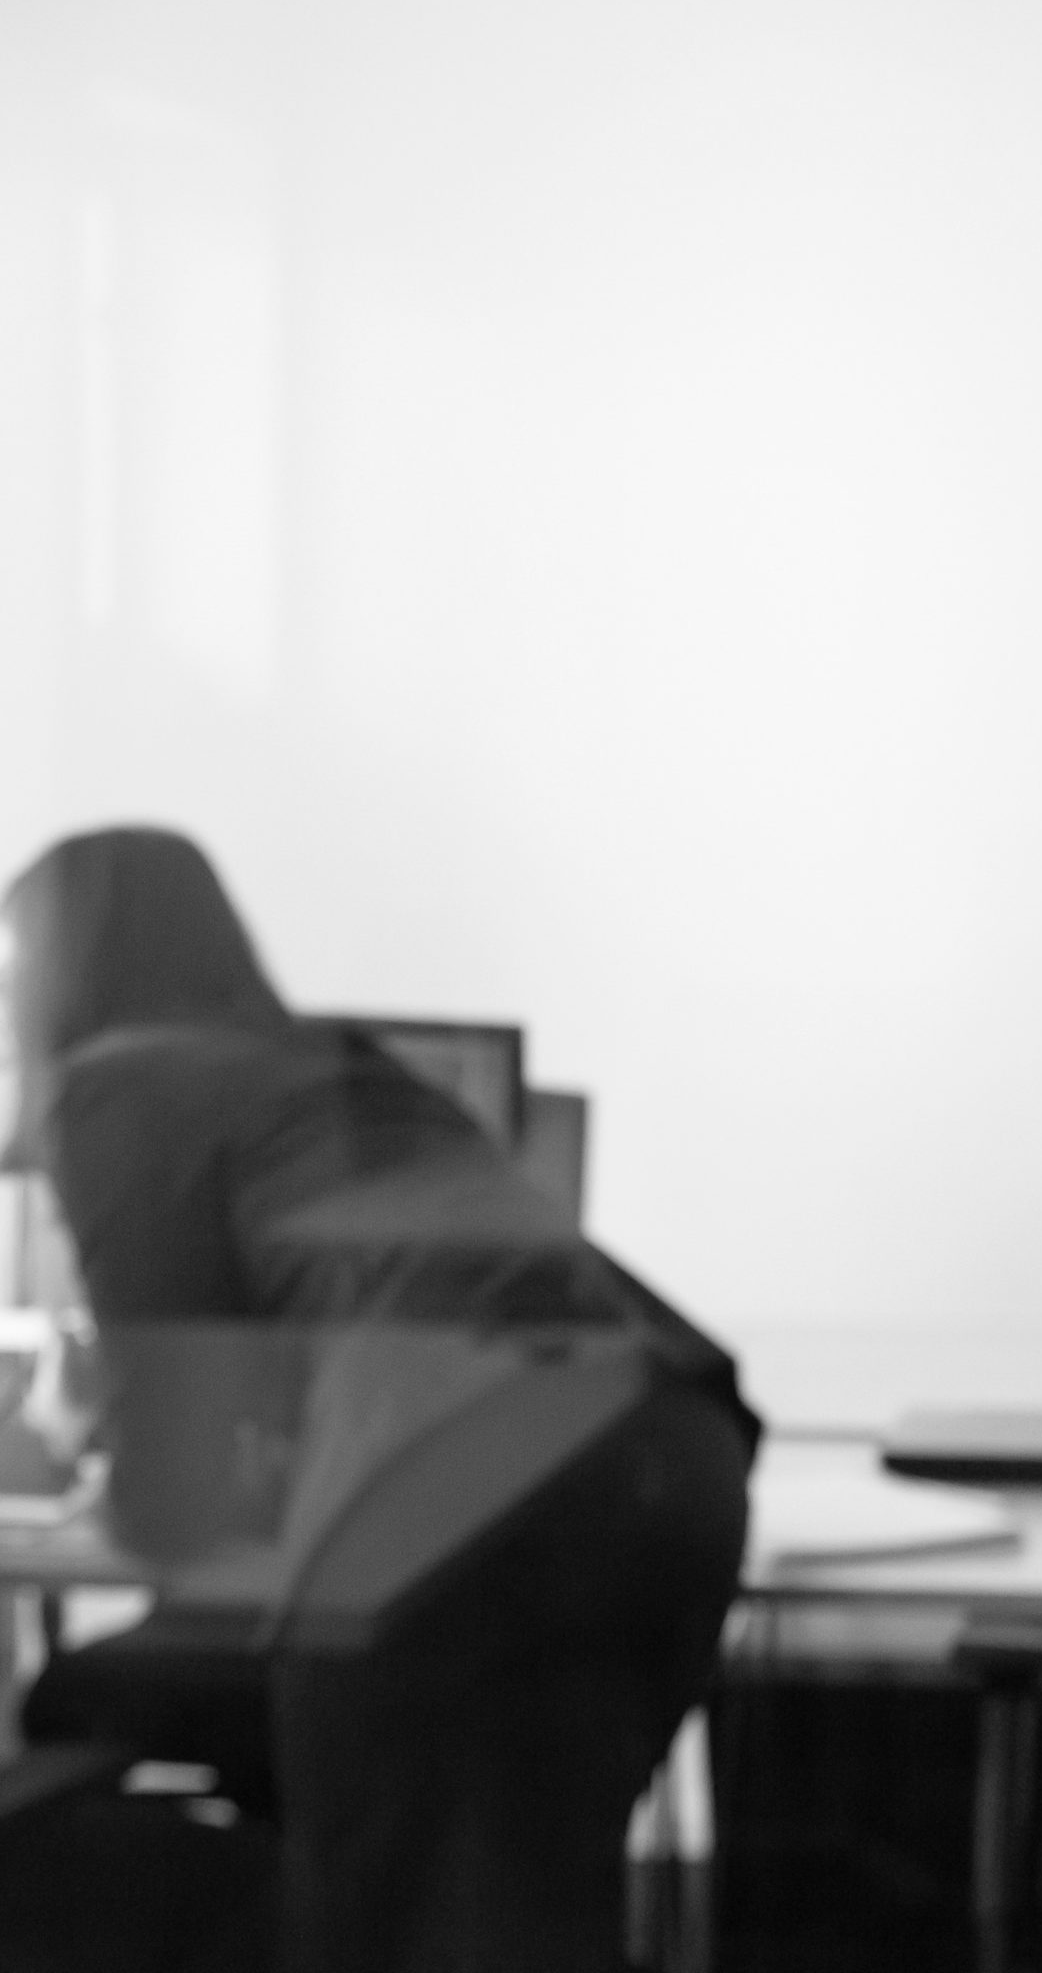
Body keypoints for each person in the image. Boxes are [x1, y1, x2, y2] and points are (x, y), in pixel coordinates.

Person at [1, 826, 758, 1973]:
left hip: (454, 1506)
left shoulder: (118, 1084)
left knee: (407, 1929)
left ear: (67, 976)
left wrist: (72, 1430)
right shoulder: (328, 1068)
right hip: (671, 1469)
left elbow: (184, 1506)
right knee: (519, 1923)